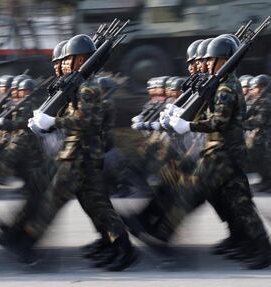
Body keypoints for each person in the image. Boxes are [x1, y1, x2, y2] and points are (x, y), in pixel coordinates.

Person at [126, 35, 271, 269]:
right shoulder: (220, 83)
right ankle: (249, 244)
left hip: (223, 152)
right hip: (219, 150)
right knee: (235, 201)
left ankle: (163, 232)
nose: (204, 64)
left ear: (222, 61)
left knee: (197, 190)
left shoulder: (225, 87)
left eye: (209, 60)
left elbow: (219, 121)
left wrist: (189, 125)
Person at [23, 34, 139, 271]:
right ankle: (116, 245)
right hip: (78, 152)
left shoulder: (88, 87)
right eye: (63, 60)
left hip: (83, 154)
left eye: (69, 59)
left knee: (57, 195)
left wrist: (53, 121)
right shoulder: (79, 84)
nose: (64, 64)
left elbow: (87, 121)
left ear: (82, 59)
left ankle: (27, 239)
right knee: (95, 203)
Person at [244, 74, 271, 192]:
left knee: (265, 158)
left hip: (267, 136)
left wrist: (240, 124)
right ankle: (265, 180)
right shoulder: (260, 100)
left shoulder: (266, 101)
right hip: (263, 135)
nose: (253, 90)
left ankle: (268, 182)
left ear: (262, 88)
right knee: (260, 156)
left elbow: (259, 120)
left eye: (255, 88)